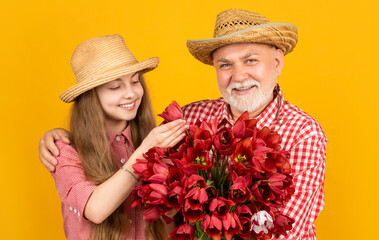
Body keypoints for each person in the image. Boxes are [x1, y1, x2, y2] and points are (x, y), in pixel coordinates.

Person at [39, 9, 327, 240]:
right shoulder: (191, 118)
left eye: (250, 60)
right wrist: (60, 137)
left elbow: (286, 231)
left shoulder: (303, 133)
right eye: (225, 64)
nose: (238, 76)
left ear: (277, 62)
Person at [44, 34, 187, 240]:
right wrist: (145, 152)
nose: (131, 94)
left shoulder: (156, 141)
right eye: (115, 86)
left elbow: (166, 226)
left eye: (135, 81)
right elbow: (96, 210)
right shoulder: (64, 152)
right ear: (90, 96)